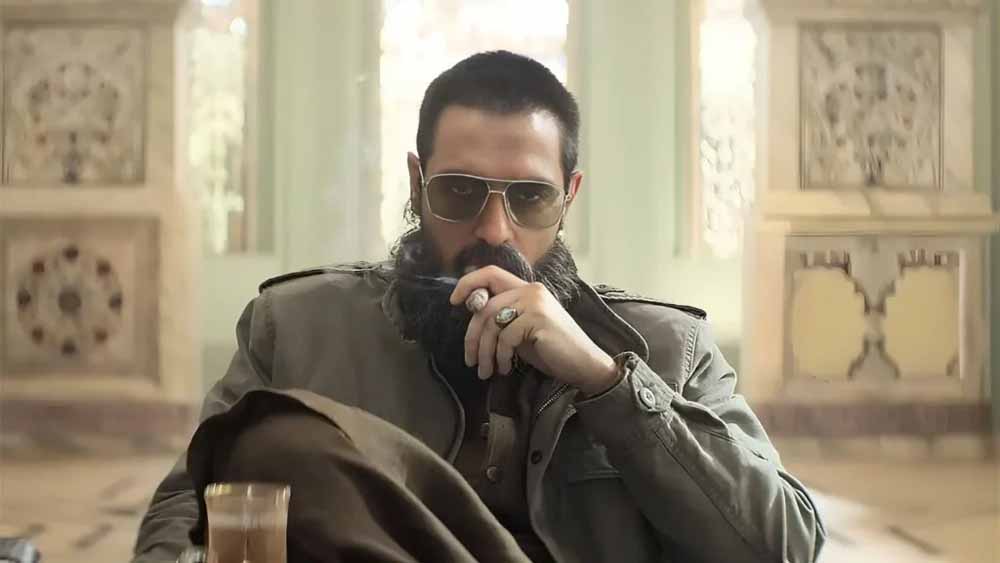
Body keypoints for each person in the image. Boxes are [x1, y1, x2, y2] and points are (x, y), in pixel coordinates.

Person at [133, 51, 825, 563]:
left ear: (569, 197)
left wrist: (607, 381)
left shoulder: (667, 348)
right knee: (279, 443)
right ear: (417, 184)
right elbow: (187, 510)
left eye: (530, 197)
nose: (494, 231)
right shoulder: (297, 328)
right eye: (460, 192)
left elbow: (786, 546)